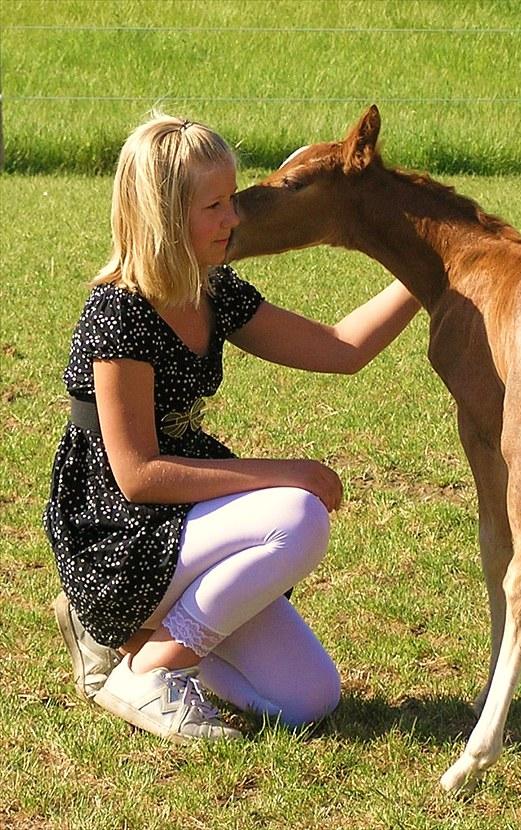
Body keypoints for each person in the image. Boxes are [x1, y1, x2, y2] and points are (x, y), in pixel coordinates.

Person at [43, 113, 420, 743]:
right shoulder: (117, 313)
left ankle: (131, 639)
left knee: (308, 700)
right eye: (215, 205)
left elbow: (341, 347)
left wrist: (431, 267)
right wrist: (287, 472)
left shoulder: (211, 289)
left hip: (180, 527)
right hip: (118, 539)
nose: (235, 217)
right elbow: (136, 476)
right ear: (164, 215)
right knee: (296, 515)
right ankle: (151, 666)